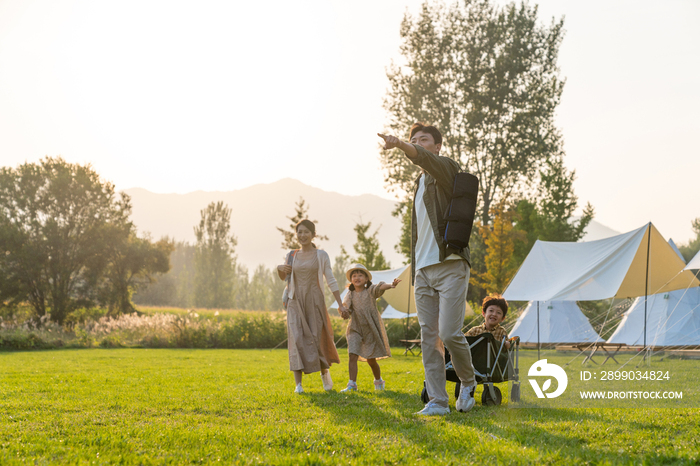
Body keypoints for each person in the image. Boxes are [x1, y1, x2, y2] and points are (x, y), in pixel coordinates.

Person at [378, 123, 476, 415]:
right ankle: (437, 401)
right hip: (423, 270)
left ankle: (468, 382)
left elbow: (423, 158)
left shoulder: (446, 170)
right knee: (429, 337)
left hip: (450, 264)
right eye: (414, 139)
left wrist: (399, 144)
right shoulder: (418, 184)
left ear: (437, 146)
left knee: (448, 332)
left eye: (424, 140)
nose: (418, 143)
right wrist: (416, 267)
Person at [277, 219, 348, 394]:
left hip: (315, 301)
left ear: (313, 234)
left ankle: (324, 373)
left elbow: (330, 279)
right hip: (295, 301)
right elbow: (284, 278)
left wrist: (340, 304)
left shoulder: (321, 255)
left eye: (306, 232)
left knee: (317, 338)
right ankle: (298, 385)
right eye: (299, 232)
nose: (302, 235)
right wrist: (279, 268)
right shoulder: (291, 255)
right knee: (296, 339)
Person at [338, 263, 401, 393]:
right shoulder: (350, 294)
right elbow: (346, 307)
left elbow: (380, 286)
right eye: (354, 276)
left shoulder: (370, 290)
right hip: (355, 328)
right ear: (351, 280)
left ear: (366, 279)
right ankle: (352, 385)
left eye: (360, 275)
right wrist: (344, 312)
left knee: (371, 360)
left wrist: (391, 285)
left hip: (370, 328)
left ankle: (378, 380)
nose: (357, 278)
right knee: (352, 355)